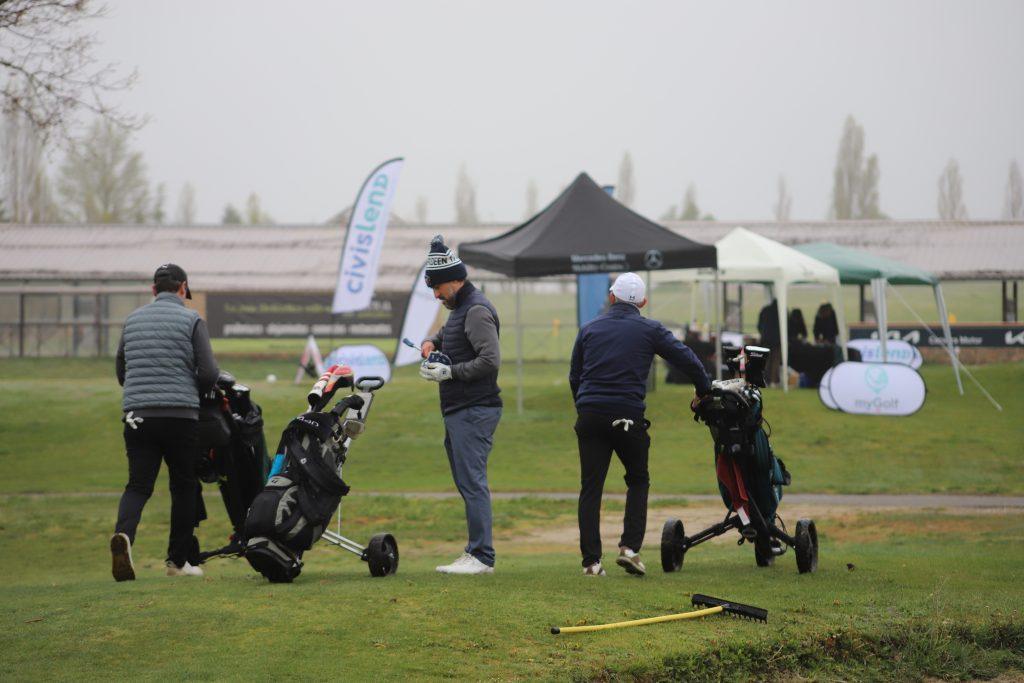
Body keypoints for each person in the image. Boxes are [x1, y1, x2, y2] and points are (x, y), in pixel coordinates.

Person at [569, 272, 712, 577]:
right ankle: (629, 548)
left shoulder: (589, 329)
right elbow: (688, 360)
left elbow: (575, 376)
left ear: (611, 297)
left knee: (591, 488)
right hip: (628, 415)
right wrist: (703, 391)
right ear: (643, 302)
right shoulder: (650, 329)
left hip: (591, 414)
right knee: (637, 480)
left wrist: (584, 407)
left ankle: (591, 563)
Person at [110, 264, 220, 581]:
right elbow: (209, 373)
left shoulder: (132, 320)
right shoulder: (191, 320)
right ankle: (177, 562)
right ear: (183, 288)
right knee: (183, 486)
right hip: (179, 416)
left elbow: (122, 371)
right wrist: (190, 390)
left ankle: (124, 536)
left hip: (138, 416)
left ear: (153, 290)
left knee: (138, 485)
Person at [419, 236, 502, 576]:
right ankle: (474, 551)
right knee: (467, 482)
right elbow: (446, 335)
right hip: (460, 409)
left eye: (438, 288)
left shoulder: (476, 310)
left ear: (454, 280)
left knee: (472, 483)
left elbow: (490, 360)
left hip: (474, 408)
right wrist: (429, 343)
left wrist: (450, 372)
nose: (436, 295)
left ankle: (482, 556)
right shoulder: (460, 310)